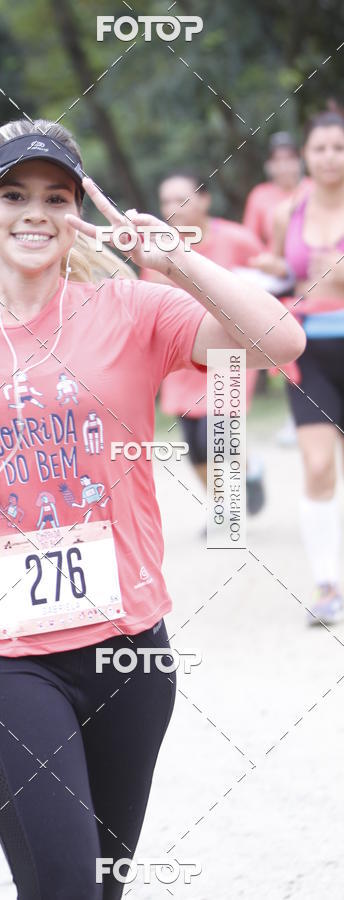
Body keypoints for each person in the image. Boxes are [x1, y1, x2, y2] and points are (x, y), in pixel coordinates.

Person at [0, 120, 304, 899]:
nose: (35, 213)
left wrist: (177, 261)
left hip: (129, 654)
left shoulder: (133, 309)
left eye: (56, 196)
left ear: (79, 213)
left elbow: (280, 342)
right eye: (14, 195)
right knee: (64, 887)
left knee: (103, 888)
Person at [254, 110, 344, 626]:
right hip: (308, 349)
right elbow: (282, 270)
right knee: (316, 465)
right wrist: (272, 271)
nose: (330, 157)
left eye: (338, 147)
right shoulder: (286, 212)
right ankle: (328, 585)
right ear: (306, 155)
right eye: (320, 148)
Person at [143, 173, 267, 516]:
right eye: (166, 201)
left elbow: (268, 282)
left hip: (227, 354)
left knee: (214, 437)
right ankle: (223, 506)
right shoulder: (156, 249)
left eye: (181, 199)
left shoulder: (237, 239)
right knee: (196, 450)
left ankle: (247, 471)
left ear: (204, 200)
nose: (172, 208)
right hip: (183, 363)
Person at [243, 131, 310, 250]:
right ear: (268, 165)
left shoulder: (313, 188)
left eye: (289, 158)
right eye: (277, 160)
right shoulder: (259, 195)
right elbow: (249, 240)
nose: (284, 166)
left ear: (299, 161)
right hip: (272, 257)